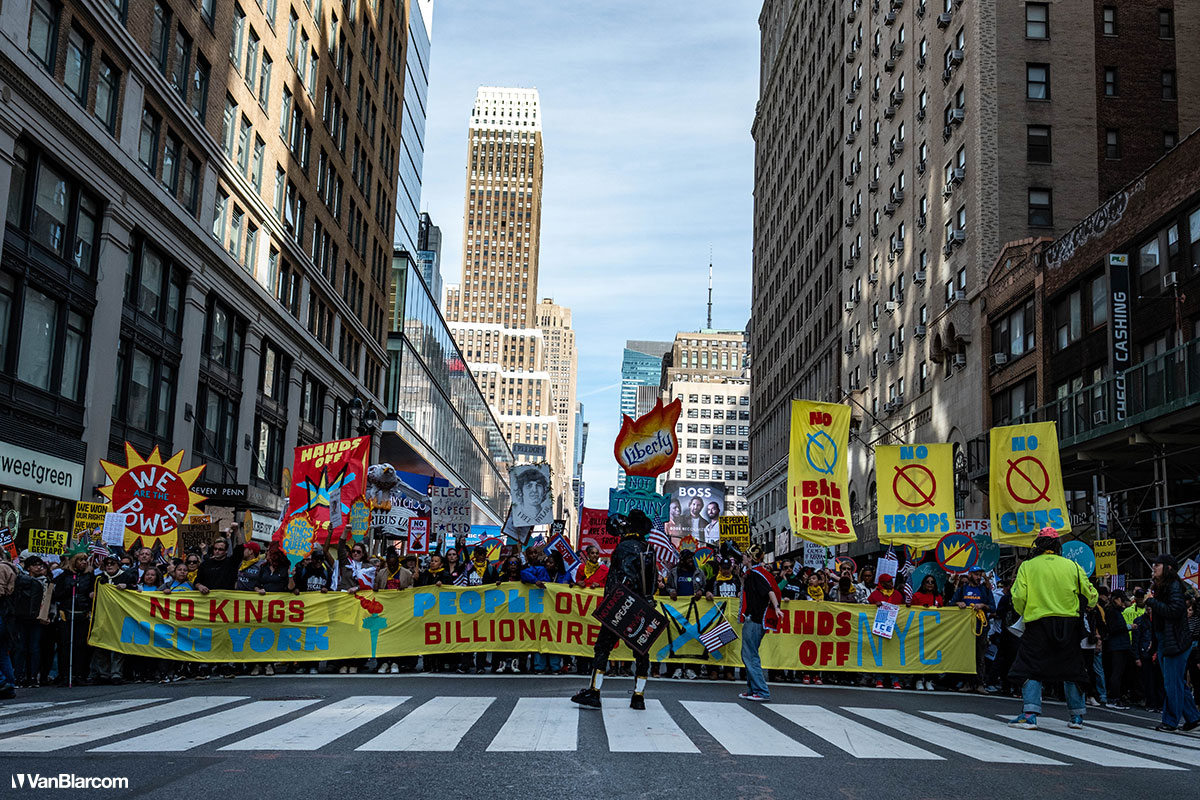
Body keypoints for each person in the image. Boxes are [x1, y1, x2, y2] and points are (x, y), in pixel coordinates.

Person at [1007, 529, 1098, 731]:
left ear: (1038, 545)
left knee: (1030, 665)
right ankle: (1077, 716)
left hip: (1038, 622)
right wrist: (1084, 605)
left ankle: (1030, 715)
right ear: (1058, 546)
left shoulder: (1028, 566)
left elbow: (1019, 596)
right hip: (1069, 623)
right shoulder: (1072, 566)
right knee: (1073, 668)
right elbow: (1091, 594)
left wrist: (1025, 612)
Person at [571, 511, 657, 710]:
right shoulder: (648, 548)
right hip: (643, 605)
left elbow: (625, 577)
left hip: (622, 604)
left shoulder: (625, 546)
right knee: (641, 651)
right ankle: (638, 696)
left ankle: (594, 691)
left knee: (603, 647)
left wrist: (615, 602)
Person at [1145, 553, 1200, 732]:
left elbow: (1175, 610)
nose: (1154, 567)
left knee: (1172, 684)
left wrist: (1152, 602)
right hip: (1167, 640)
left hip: (1175, 641)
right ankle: (1193, 718)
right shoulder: (1163, 586)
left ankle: (1170, 721)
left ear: (1168, 568)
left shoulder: (1173, 585)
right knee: (1176, 682)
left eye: (1158, 565)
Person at [738, 543, 781, 702]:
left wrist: (776, 607)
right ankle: (752, 689)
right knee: (748, 654)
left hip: (755, 619)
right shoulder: (753, 574)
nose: (742, 556)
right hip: (754, 618)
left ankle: (762, 691)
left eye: (745, 554)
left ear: (750, 558)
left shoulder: (757, 574)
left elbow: (769, 590)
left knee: (750, 656)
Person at [950, 566, 995, 693]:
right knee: (967, 656)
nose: (978, 577)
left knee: (980, 657)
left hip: (981, 628)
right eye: (976, 575)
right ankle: (968, 683)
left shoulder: (985, 590)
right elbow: (951, 603)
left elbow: (993, 607)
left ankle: (980, 684)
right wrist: (958, 604)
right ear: (970, 575)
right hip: (966, 628)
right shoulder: (962, 589)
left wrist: (983, 605)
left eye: (980, 575)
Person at [1102, 590, 1133, 709]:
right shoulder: (1111, 611)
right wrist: (1128, 627)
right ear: (1115, 599)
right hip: (1117, 645)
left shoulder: (1116, 611)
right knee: (1116, 672)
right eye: (1121, 600)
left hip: (1121, 645)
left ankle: (1116, 696)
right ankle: (1113, 697)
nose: (1123, 602)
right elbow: (1113, 628)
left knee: (1119, 672)